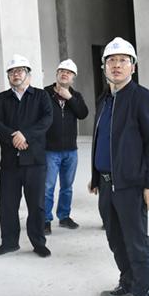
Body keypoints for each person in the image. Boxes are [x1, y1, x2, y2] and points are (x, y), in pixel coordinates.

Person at [89, 37, 149, 296]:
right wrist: (95, 176)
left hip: (131, 185)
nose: (116, 65)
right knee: (115, 238)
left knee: (136, 241)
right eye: (111, 60)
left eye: (123, 60)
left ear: (133, 66)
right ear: (104, 67)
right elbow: (100, 139)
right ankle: (128, 283)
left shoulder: (142, 98)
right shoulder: (104, 99)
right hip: (107, 183)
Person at [0, 54, 52, 257]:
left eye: (20, 71)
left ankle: (38, 243)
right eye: (12, 72)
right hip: (10, 162)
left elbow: (47, 119)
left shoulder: (41, 96)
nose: (16, 74)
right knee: (8, 205)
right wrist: (13, 137)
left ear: (28, 75)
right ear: (8, 76)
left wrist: (25, 135)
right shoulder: (0, 99)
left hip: (35, 161)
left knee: (37, 205)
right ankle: (9, 242)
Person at [43, 59, 88, 235]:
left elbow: (83, 114)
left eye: (68, 72)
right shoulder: (45, 94)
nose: (64, 74)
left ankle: (64, 217)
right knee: (48, 187)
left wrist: (69, 98)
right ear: (57, 74)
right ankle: (45, 220)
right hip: (50, 150)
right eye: (61, 71)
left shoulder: (76, 96)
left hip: (71, 150)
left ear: (73, 77)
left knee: (67, 187)